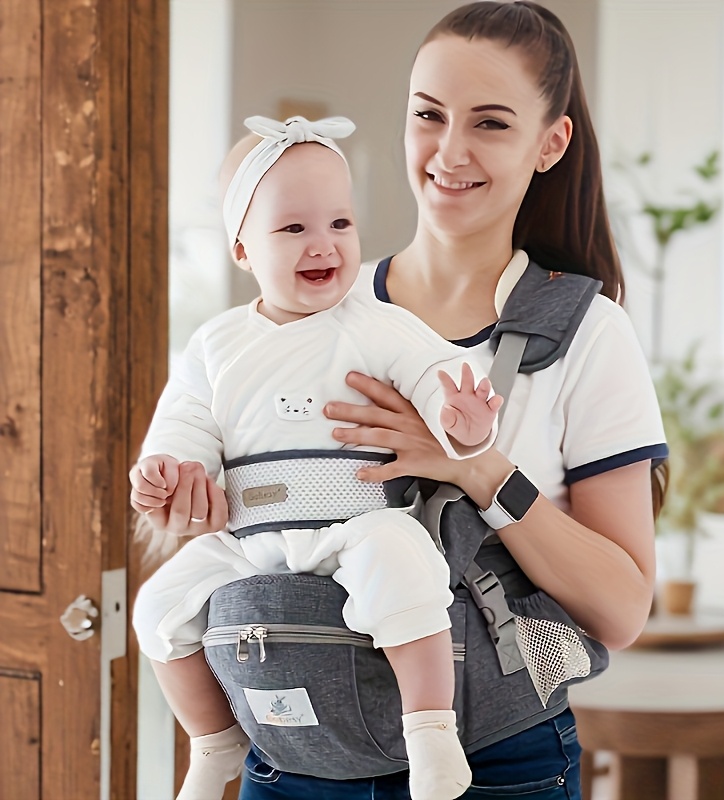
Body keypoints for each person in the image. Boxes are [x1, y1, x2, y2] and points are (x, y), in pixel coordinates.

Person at [144, 2, 668, 798]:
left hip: (491, 759)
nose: (449, 151)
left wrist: (476, 467)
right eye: (429, 115)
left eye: (490, 123)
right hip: (295, 756)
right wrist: (195, 502)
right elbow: (235, 501)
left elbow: (622, 612)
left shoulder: (587, 334)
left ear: (549, 142)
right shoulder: (306, 303)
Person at [131, 114, 503, 800]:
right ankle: (213, 742)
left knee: (404, 563)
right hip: (248, 536)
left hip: (355, 515)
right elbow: (183, 426)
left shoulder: (375, 323)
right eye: (293, 229)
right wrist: (166, 471)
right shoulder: (216, 345)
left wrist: (464, 422)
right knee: (157, 607)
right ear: (242, 249)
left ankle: (429, 731)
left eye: (340, 224)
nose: (322, 245)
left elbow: (436, 376)